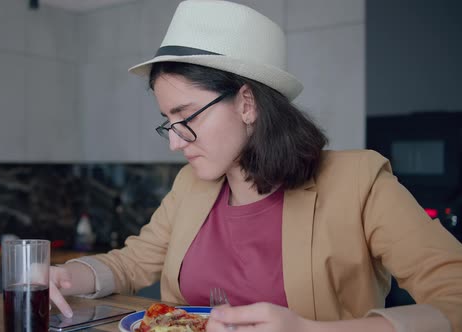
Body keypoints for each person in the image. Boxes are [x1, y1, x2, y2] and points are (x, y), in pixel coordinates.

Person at [49, 1, 462, 331]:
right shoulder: (191, 185)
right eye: (168, 124)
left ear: (247, 103)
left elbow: (455, 294)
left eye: (187, 117)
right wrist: (66, 276)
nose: (175, 142)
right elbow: (133, 261)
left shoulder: (360, 181)